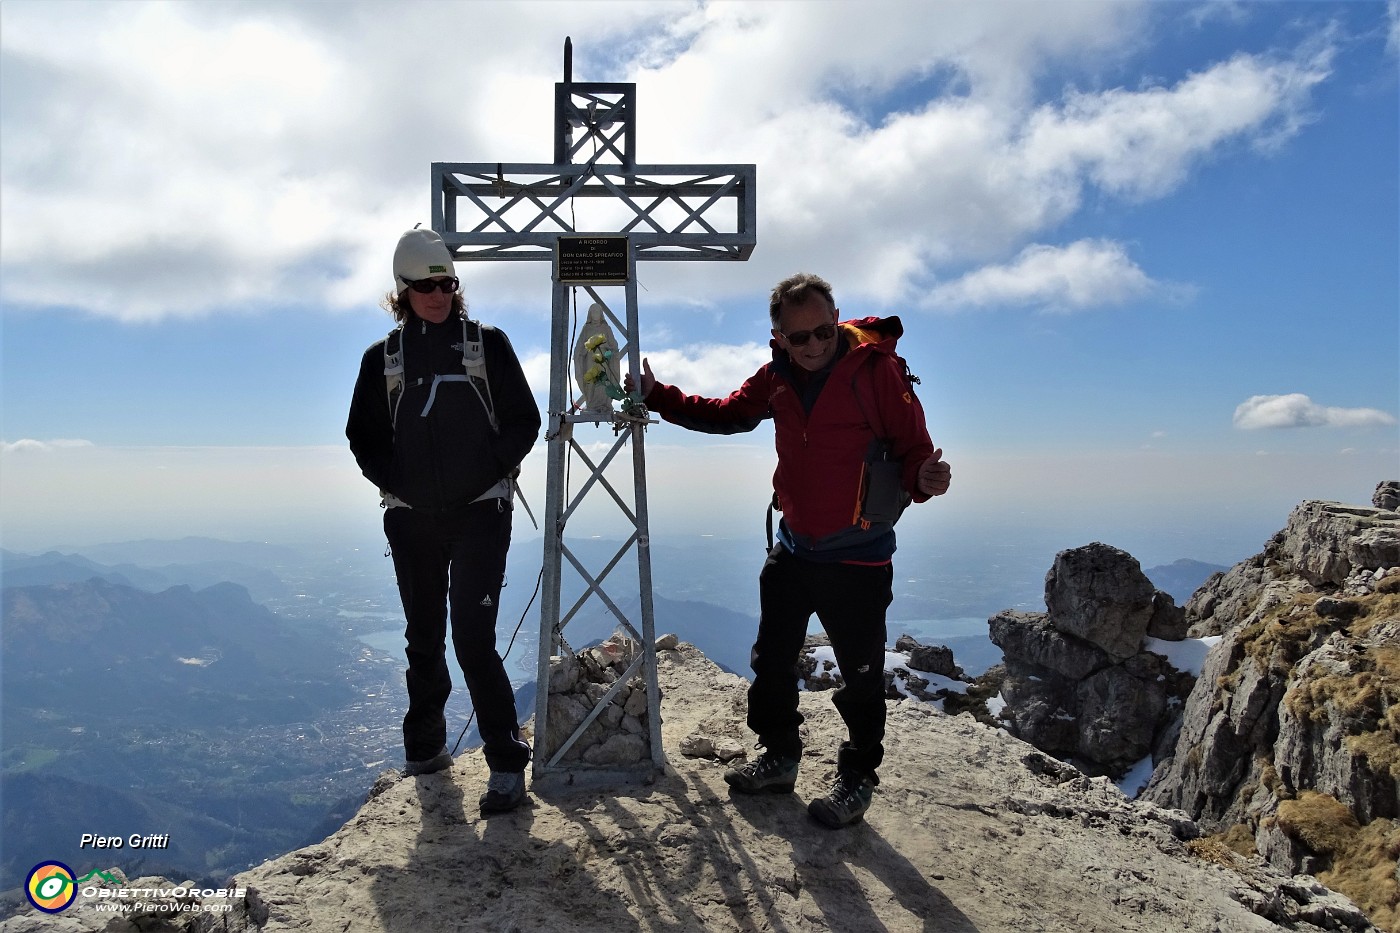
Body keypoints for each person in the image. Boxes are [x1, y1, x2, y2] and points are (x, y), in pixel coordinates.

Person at [627, 272, 951, 828]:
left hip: (859, 554)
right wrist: (658, 396)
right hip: (795, 546)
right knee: (772, 661)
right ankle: (780, 756)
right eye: (799, 338)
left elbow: (915, 451)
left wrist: (926, 479)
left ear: (836, 320)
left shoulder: (877, 372)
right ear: (778, 337)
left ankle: (855, 779)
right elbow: (729, 413)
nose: (814, 346)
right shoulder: (777, 377)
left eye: (823, 331)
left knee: (863, 672)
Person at [346, 227, 540, 814]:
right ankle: (425, 749)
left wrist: (485, 473)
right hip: (412, 521)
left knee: (474, 640)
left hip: (481, 513)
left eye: (447, 283)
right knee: (423, 636)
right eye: (426, 286)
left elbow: (523, 420)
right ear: (402, 292)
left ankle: (505, 763)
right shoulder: (383, 360)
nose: (438, 294)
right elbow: (363, 437)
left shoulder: (488, 345)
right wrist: (402, 485)